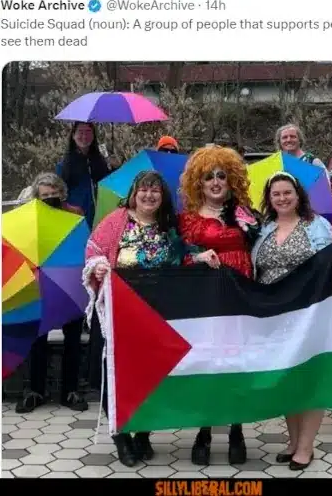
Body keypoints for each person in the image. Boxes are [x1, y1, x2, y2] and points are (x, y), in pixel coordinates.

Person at [82, 170, 214, 467]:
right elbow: (94, 251)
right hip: (120, 314)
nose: (149, 195)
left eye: (156, 190)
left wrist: (201, 257)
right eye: (144, 189)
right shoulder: (115, 221)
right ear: (134, 193)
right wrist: (99, 267)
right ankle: (122, 437)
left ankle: (143, 432)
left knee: (151, 376)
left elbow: (183, 257)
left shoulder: (169, 226)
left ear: (163, 196)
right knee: (116, 374)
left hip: (156, 314)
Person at [250, 171, 332, 470]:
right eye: (276, 194)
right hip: (275, 315)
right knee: (288, 379)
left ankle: (305, 448)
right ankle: (293, 442)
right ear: (269, 199)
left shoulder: (317, 225)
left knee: (309, 380)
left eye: (287, 193)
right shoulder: (264, 229)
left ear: (298, 196)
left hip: (310, 314)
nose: (282, 198)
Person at [178, 145, 261, 466]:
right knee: (207, 362)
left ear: (232, 180)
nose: (215, 182)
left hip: (240, 294)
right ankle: (204, 429)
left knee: (236, 362)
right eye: (208, 177)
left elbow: (272, 243)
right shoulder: (185, 219)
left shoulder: (246, 214)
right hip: (204, 299)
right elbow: (175, 256)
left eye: (221, 176)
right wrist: (196, 256)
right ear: (197, 183)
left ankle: (237, 429)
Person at [15, 173, 88, 414]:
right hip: (38, 280)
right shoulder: (31, 216)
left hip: (71, 279)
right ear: (37, 197)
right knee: (36, 338)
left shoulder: (75, 213)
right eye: (44, 195)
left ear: (62, 193)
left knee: (73, 339)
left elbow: (84, 244)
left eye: (53, 194)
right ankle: (34, 391)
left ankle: (71, 390)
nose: (49, 198)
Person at [56, 121, 117, 229]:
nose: (84, 136)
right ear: (73, 136)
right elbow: (58, 194)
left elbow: (110, 183)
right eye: (80, 132)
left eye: (88, 131)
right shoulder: (64, 165)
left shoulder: (100, 161)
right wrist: (70, 208)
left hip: (101, 214)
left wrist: (115, 167)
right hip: (77, 216)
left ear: (93, 136)